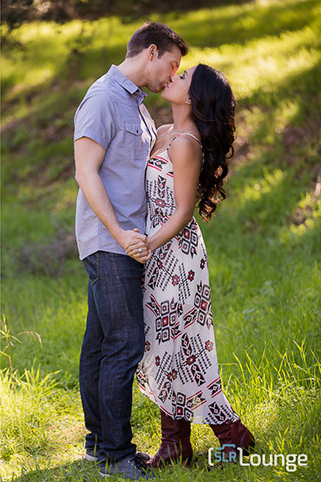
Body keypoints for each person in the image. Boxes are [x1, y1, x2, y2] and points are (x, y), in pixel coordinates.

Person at [73, 22, 188, 480]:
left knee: (100, 344)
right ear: (152, 51)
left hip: (125, 241)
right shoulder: (103, 97)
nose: (171, 75)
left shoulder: (135, 105)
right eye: (172, 65)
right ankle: (116, 457)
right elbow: (86, 173)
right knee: (124, 344)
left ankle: (98, 443)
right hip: (112, 242)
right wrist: (121, 235)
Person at [126, 64, 255, 468]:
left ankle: (226, 433)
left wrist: (148, 244)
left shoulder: (186, 143)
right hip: (155, 250)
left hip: (176, 254)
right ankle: (182, 443)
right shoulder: (165, 132)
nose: (172, 78)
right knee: (169, 347)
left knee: (180, 346)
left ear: (194, 97)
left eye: (183, 78)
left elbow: (182, 212)